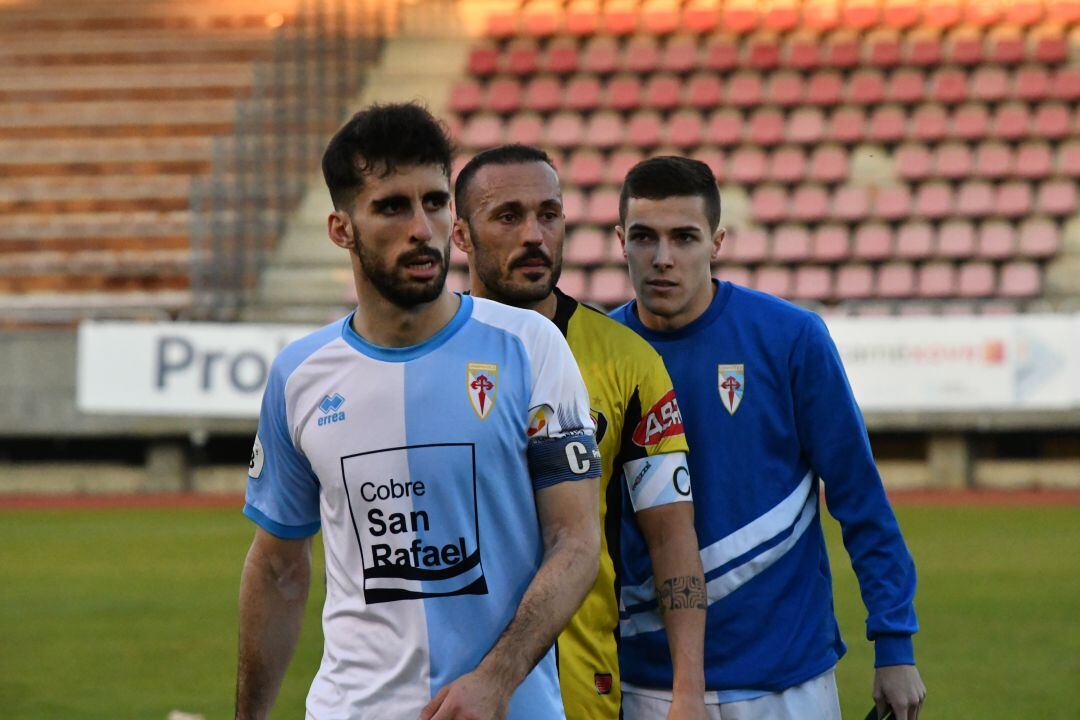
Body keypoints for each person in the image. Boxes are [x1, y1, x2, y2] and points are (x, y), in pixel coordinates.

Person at [235, 104, 602, 720]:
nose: (422, 227)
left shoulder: (529, 346)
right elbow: (276, 568)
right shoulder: (299, 376)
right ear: (340, 228)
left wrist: (495, 679)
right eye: (391, 206)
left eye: (435, 203)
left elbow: (576, 541)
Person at [608, 156, 926, 720]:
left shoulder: (790, 337)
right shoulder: (598, 354)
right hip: (645, 680)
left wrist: (894, 644)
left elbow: (859, 495)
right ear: (620, 242)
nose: (662, 258)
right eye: (644, 237)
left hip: (786, 680)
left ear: (717, 242)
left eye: (684, 237)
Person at [452, 144, 707, 720]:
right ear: (460, 235)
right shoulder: (425, 358)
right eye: (508, 216)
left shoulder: (627, 360)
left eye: (549, 214)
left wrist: (688, 687)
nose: (535, 236)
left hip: (580, 688)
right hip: (450, 687)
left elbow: (671, 536)